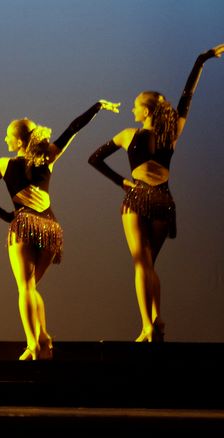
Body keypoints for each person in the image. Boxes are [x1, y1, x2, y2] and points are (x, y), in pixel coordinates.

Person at [88, 44, 223, 342]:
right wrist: (201, 61)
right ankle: (157, 319)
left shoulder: (128, 135)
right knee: (150, 265)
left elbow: (94, 159)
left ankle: (146, 326)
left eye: (136, 105)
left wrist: (123, 182)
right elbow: (187, 97)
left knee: (141, 264)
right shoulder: (172, 133)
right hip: (164, 201)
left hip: (137, 199)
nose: (132, 109)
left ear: (146, 111)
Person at [0, 100, 118, 359]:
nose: (5, 139)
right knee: (31, 287)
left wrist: (8, 216)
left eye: (8, 135)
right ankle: (43, 337)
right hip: (51, 228)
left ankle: (32, 344)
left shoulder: (2, 164)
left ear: (19, 141)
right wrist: (97, 107)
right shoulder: (49, 157)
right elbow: (73, 129)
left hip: (24, 225)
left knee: (25, 289)